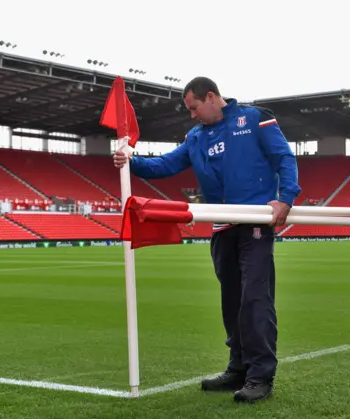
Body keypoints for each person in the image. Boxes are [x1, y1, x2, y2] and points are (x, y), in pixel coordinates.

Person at [114, 76, 301, 403]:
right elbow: (165, 165)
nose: (192, 115)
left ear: (211, 97)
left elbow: (283, 158)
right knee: (231, 302)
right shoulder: (196, 136)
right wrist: (131, 161)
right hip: (221, 228)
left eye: (194, 107)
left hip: (254, 223)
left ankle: (260, 377)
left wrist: (286, 197)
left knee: (255, 299)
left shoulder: (254, 118)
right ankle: (238, 368)